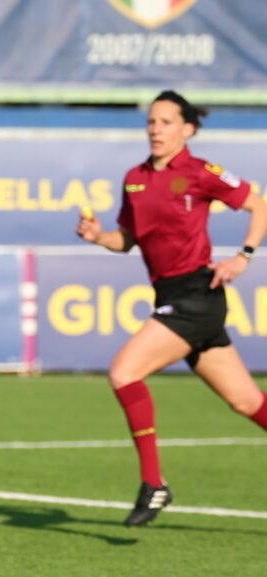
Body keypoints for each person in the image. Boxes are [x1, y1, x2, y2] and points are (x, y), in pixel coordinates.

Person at [76, 90, 267, 526]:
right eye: (151, 122)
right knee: (246, 401)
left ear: (188, 129)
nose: (156, 129)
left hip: (197, 296)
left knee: (124, 372)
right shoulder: (135, 178)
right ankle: (155, 486)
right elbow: (127, 240)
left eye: (166, 122)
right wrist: (98, 236)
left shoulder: (201, 172)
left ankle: (154, 484)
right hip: (171, 297)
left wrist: (243, 257)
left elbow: (258, 205)